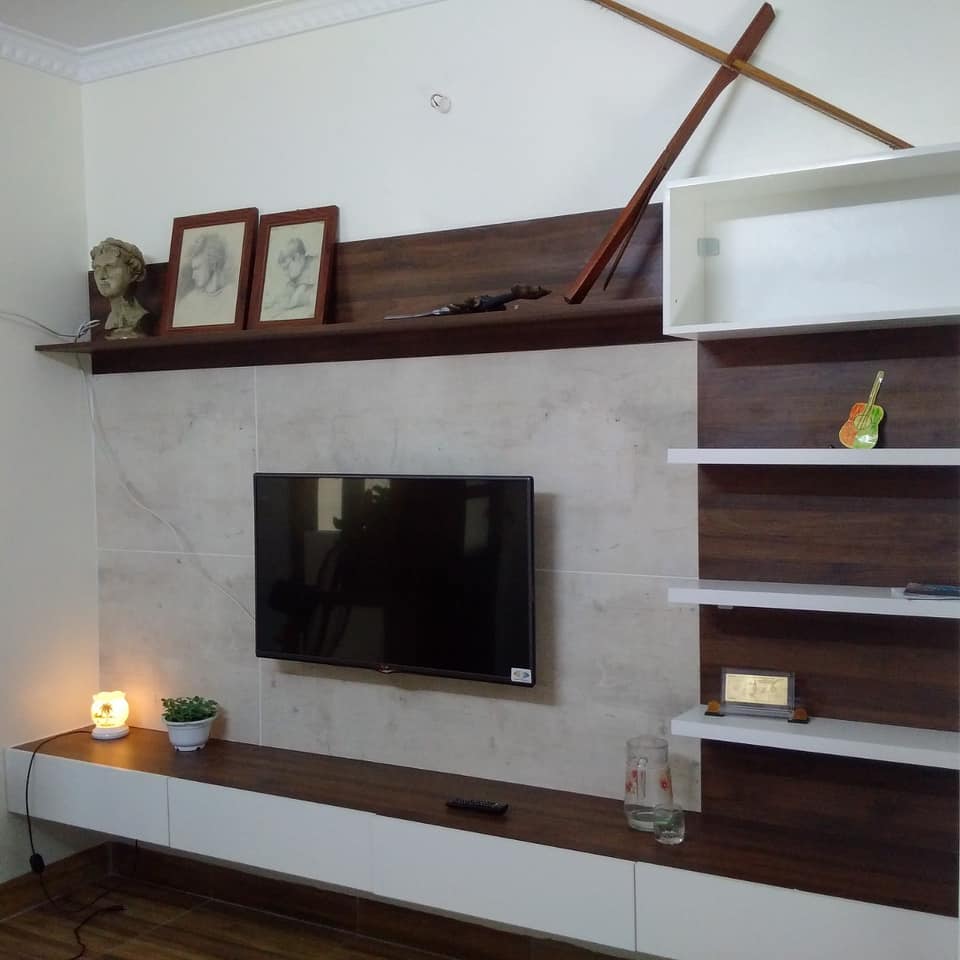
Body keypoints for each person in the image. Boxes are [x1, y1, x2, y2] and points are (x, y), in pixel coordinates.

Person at [89, 238, 153, 339]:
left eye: (110, 267)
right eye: (97, 268)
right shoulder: (102, 319)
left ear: (133, 274)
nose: (102, 276)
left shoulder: (140, 317)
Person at [172, 232, 236, 328]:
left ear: (213, 264)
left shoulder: (232, 295)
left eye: (197, 268)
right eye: (193, 269)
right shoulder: (189, 302)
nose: (193, 276)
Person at [262, 237, 320, 321]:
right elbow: (287, 291)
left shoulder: (312, 264)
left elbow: (297, 296)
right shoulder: (297, 272)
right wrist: (273, 301)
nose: (286, 273)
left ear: (297, 257)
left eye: (287, 268)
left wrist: (286, 306)